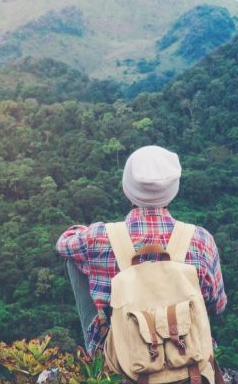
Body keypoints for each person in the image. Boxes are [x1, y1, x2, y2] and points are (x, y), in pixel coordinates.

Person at [56, 145, 227, 355]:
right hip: (186, 356)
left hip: (120, 358)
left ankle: (96, 351)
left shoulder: (98, 237)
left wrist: (83, 231)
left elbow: (63, 245)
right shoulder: (201, 241)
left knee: (73, 260)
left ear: (128, 190)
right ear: (172, 192)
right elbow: (217, 306)